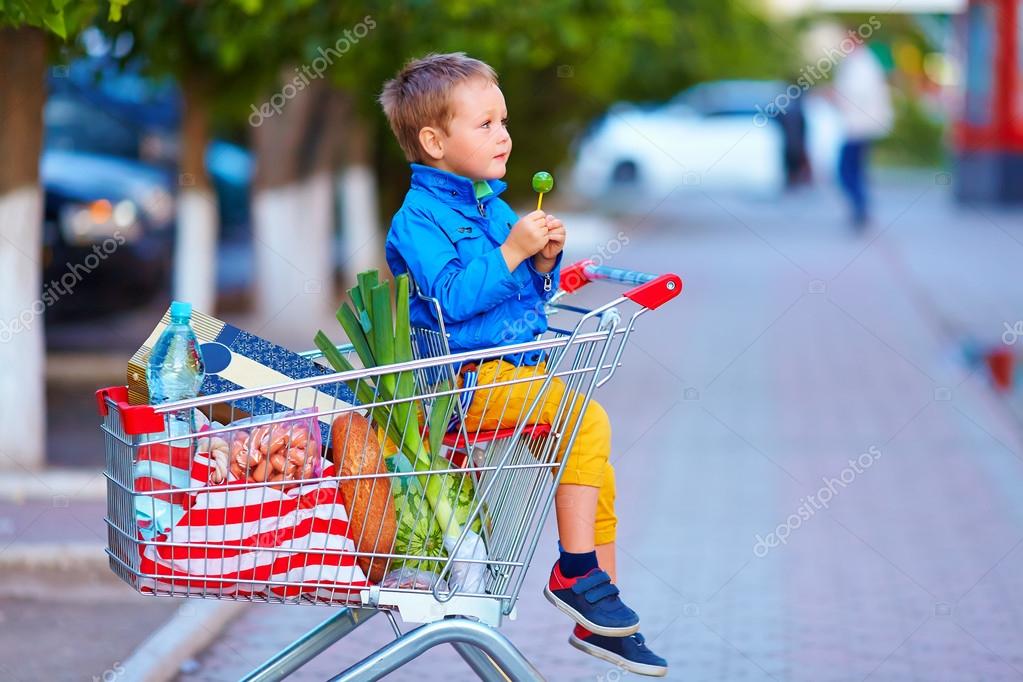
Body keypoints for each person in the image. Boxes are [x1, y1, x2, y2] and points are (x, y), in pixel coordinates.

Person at [378, 52, 668, 676]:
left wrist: (542, 266)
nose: (503, 134)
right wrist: (512, 250)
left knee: (595, 473)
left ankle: (601, 616)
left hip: (515, 374)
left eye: (503, 121)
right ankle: (577, 573)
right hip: (463, 383)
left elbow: (528, 301)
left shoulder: (494, 206)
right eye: (484, 124)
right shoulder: (417, 219)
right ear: (433, 141)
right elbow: (451, 298)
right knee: (586, 425)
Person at [832, 43, 894, 229]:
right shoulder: (863, 63)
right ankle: (861, 208)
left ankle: (860, 207)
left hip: (858, 127)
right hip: (859, 126)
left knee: (846, 170)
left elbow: (856, 95)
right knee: (855, 170)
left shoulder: (861, 65)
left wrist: (836, 97)